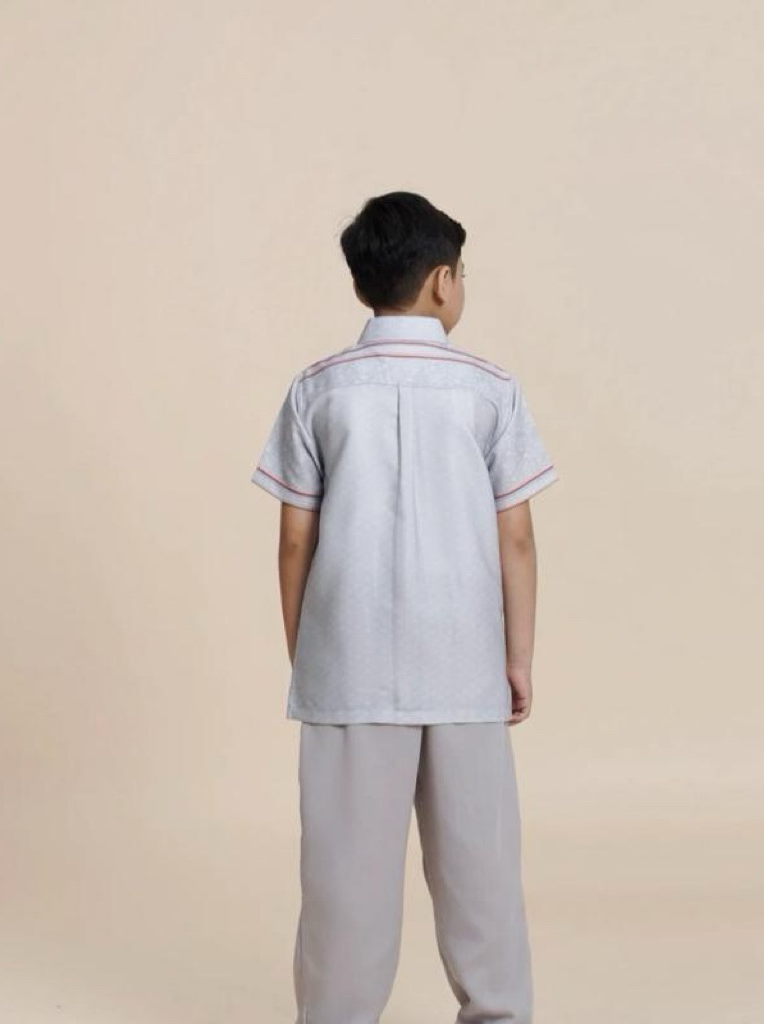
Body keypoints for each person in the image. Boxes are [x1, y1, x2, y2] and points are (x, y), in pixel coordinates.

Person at [250, 191, 559, 1024]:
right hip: (465, 663)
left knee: (344, 884)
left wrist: (310, 653)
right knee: (481, 875)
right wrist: (517, 658)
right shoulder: (490, 390)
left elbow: (293, 542)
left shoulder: (317, 389)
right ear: (441, 281)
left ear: (364, 284)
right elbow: (517, 538)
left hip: (348, 665)